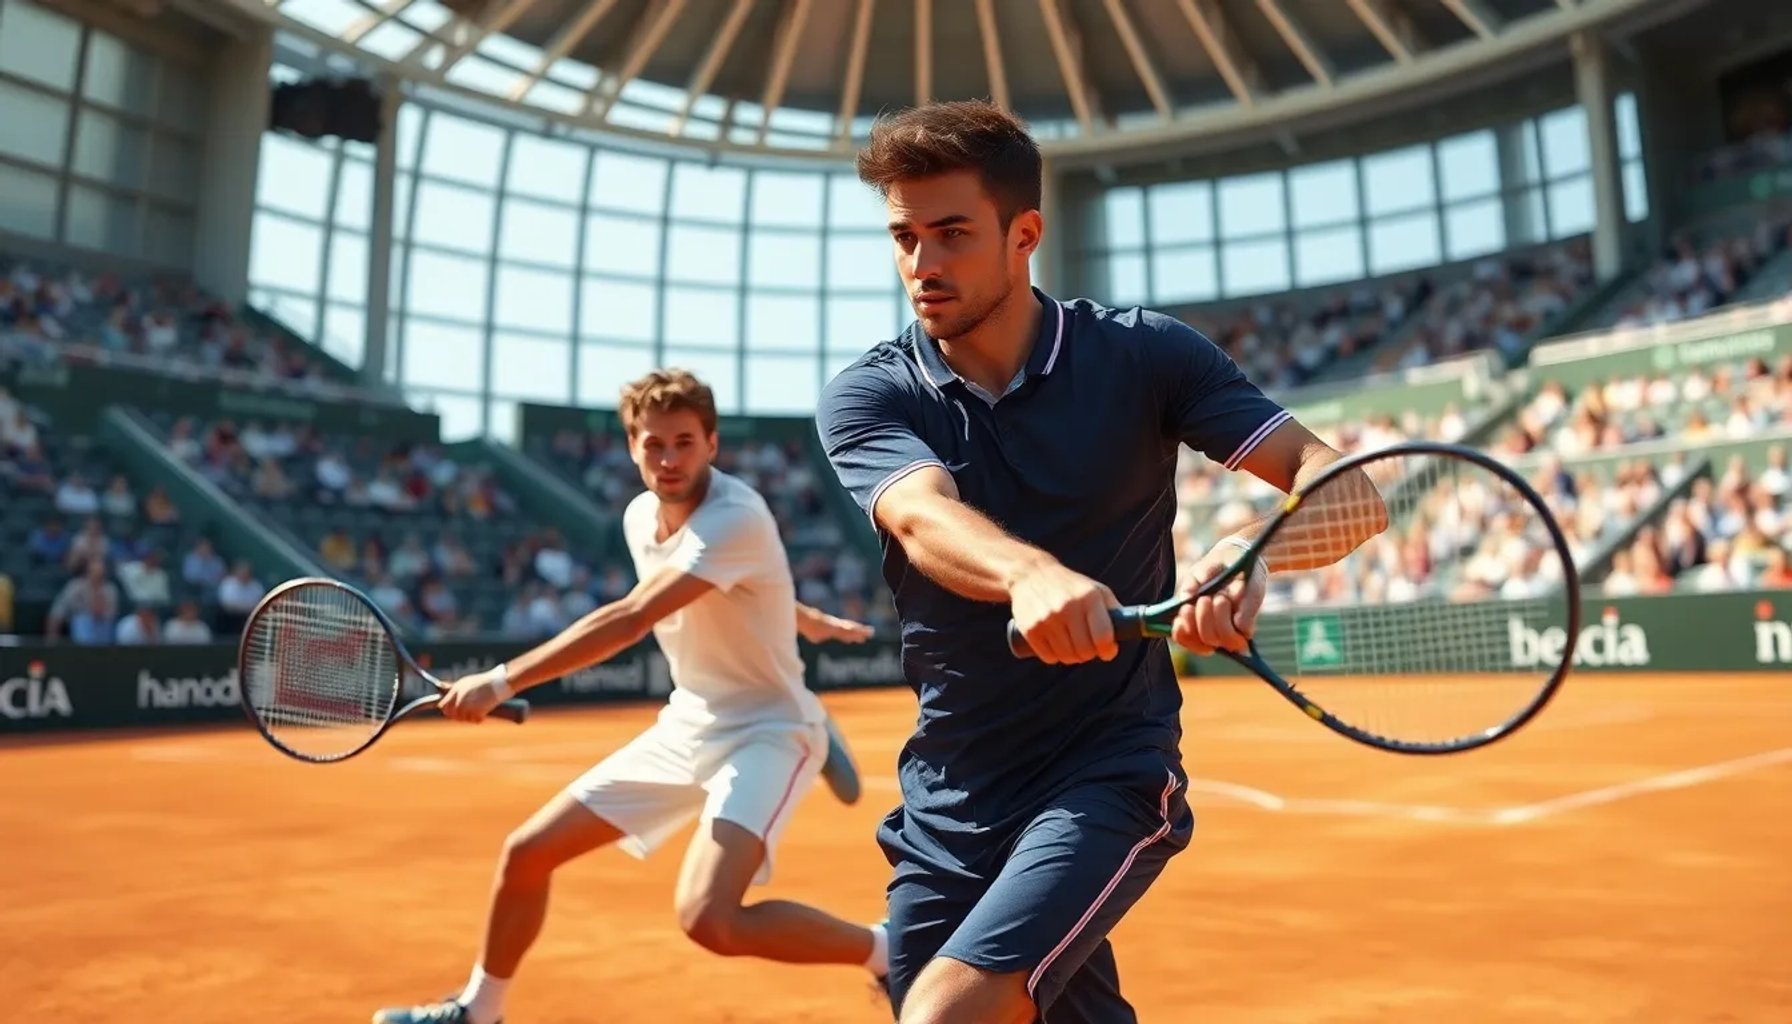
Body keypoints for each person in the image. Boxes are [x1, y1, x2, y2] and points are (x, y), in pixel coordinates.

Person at [815, 100, 1350, 1024]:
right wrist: (1030, 575)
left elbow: (1342, 485)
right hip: (950, 790)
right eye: (904, 237)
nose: (922, 265)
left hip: (1107, 766)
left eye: (952, 234)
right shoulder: (870, 392)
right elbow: (918, 515)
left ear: (1025, 234)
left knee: (943, 1013)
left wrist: (1245, 555)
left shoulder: (1145, 355)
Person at [374, 369, 892, 1024]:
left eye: (684, 442)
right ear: (631, 448)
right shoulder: (639, 517)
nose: (669, 459)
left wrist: (501, 680)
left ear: (712, 444)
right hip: (688, 724)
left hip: (768, 728)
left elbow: (631, 616)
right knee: (527, 853)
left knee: (708, 917)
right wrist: (804, 615)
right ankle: (479, 1012)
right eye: (654, 445)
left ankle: (884, 949)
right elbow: (733, 586)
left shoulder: (736, 514)